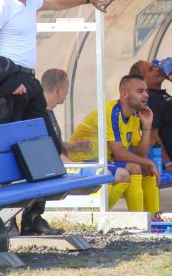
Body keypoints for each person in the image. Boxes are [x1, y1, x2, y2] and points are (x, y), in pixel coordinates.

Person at [0, 0, 107, 235]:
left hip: (29, 79)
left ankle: (33, 218)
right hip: (6, 82)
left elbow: (57, 2)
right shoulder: (1, 4)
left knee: (47, 143)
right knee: (6, 152)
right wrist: (6, 84)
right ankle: (5, 220)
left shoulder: (31, 1)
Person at [67, 75, 161, 214]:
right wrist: (148, 162)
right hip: (80, 162)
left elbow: (139, 154)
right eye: (140, 91)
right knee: (133, 169)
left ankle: (153, 218)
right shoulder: (111, 111)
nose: (146, 95)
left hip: (103, 160)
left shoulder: (135, 115)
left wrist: (147, 126)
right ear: (124, 94)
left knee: (145, 169)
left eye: (146, 91)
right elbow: (120, 154)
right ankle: (94, 215)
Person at [129, 60, 172, 171]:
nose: (158, 69)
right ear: (141, 81)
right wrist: (168, 164)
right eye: (151, 69)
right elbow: (152, 136)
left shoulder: (160, 96)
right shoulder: (148, 99)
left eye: (155, 66)